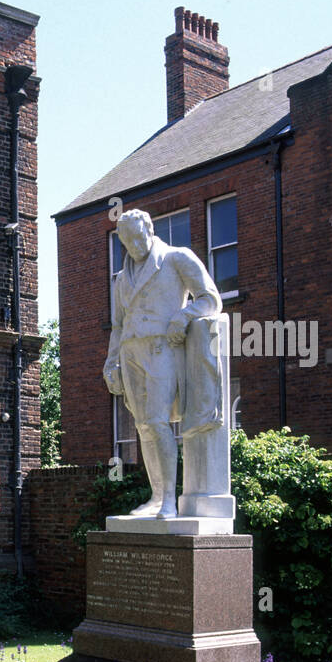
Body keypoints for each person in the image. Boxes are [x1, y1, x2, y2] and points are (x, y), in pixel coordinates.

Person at [103, 209, 223, 519]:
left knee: (157, 422)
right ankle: (156, 498)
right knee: (143, 426)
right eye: (127, 241)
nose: (134, 245)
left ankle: (170, 499)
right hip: (130, 352)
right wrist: (110, 361)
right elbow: (117, 325)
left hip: (162, 348)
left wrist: (182, 316)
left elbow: (210, 298)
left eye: (138, 237)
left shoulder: (176, 258)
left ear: (149, 231)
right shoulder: (120, 279)